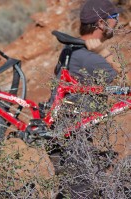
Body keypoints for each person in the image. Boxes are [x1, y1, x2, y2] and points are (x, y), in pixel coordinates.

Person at [48, 0, 123, 198]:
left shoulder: (70, 50)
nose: (117, 22)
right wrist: (103, 52)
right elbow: (125, 85)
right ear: (101, 23)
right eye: (114, 18)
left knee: (74, 188)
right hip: (73, 136)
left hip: (63, 130)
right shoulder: (90, 58)